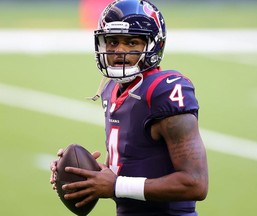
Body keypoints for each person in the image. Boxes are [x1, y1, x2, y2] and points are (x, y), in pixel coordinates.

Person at [50, 0, 208, 215]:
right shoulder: (111, 90)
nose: (119, 51)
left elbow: (195, 183)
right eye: (113, 42)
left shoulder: (163, 91)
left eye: (132, 42)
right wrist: (84, 174)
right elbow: (128, 168)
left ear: (152, 46)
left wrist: (116, 186)